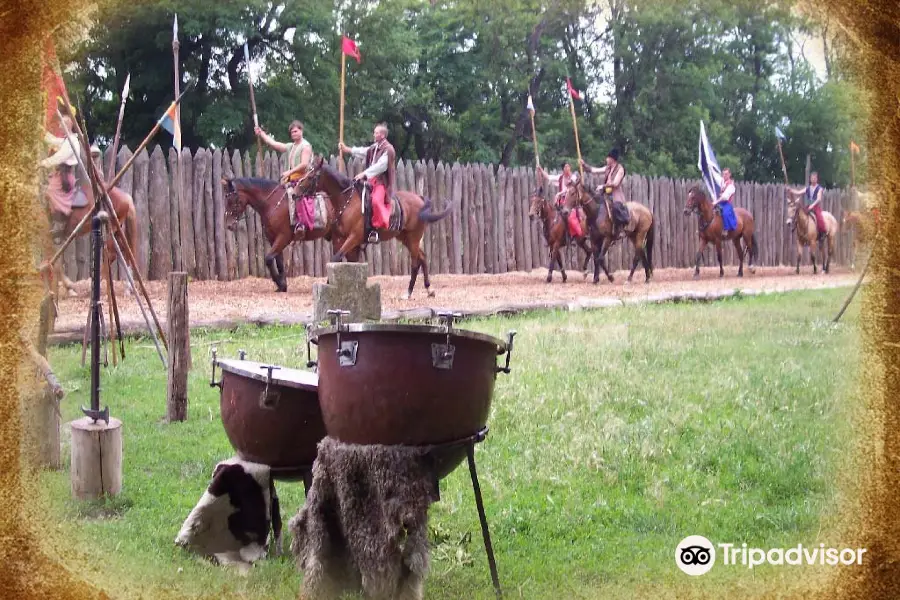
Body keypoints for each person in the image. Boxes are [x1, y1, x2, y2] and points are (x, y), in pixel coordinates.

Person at [338, 122, 397, 244]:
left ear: (382, 135)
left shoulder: (389, 150)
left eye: (376, 133)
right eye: (374, 132)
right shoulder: (375, 147)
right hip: (370, 181)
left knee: (375, 201)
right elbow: (362, 151)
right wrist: (347, 149)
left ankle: (375, 229)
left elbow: (380, 166)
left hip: (381, 183)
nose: (374, 134)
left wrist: (364, 174)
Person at [256, 120, 313, 234]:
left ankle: (301, 223)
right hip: (291, 179)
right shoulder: (290, 146)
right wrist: (261, 133)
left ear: (301, 131)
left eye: (296, 131)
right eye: (292, 132)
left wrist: (289, 172)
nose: (294, 134)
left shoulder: (305, 146)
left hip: (304, 179)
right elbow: (274, 143)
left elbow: (304, 165)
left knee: (297, 195)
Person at [41, 112, 89, 243]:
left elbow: (59, 157)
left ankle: (59, 224)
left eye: (62, 124)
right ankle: (54, 220)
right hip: (60, 175)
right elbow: (54, 141)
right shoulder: (67, 139)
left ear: (68, 125)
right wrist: (41, 132)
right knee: (47, 191)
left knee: (50, 191)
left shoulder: (72, 142)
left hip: (65, 177)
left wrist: (43, 163)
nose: (59, 126)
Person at [580, 148, 629, 239]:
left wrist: (603, 186)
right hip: (605, 194)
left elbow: (615, 183)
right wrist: (584, 165)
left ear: (612, 159)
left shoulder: (620, 169)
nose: (606, 159)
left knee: (616, 208)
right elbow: (595, 170)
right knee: (593, 204)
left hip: (615, 195)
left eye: (608, 158)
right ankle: (591, 227)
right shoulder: (607, 168)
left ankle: (620, 229)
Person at [537, 162, 583, 239]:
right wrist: (541, 170)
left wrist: (559, 193)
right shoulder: (560, 178)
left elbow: (571, 189)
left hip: (571, 202)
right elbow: (548, 177)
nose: (568, 168)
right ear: (563, 169)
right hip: (561, 202)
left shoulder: (573, 177)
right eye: (566, 167)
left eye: (569, 166)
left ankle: (576, 234)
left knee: (571, 217)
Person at [789, 171, 827, 241]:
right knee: (799, 213)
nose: (813, 179)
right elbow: (798, 192)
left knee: (819, 218)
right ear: (810, 179)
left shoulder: (819, 188)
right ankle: (795, 227)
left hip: (815, 206)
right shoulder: (808, 188)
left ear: (817, 179)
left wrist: (812, 205)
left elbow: (819, 199)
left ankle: (822, 233)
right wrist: (792, 190)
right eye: (812, 178)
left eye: (814, 178)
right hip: (808, 206)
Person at [714, 168, 738, 235]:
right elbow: (715, 176)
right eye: (723, 174)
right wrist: (709, 167)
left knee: (725, 213)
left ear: (729, 174)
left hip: (726, 203)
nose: (724, 175)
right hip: (719, 202)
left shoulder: (731, 185)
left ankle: (726, 229)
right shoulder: (722, 181)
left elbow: (725, 197)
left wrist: (716, 202)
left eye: (726, 174)